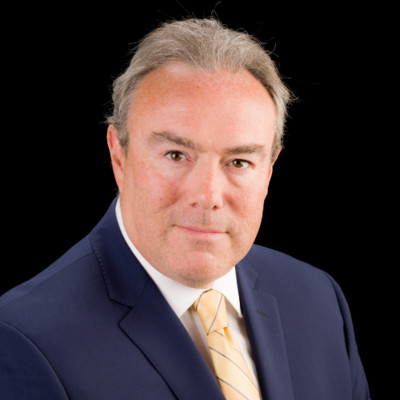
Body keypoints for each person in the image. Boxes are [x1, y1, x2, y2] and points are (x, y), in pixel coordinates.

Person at [0, 18, 370, 399]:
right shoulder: (24, 341)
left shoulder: (319, 301)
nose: (208, 195)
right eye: (176, 155)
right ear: (119, 156)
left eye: (239, 162)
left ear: (269, 169)